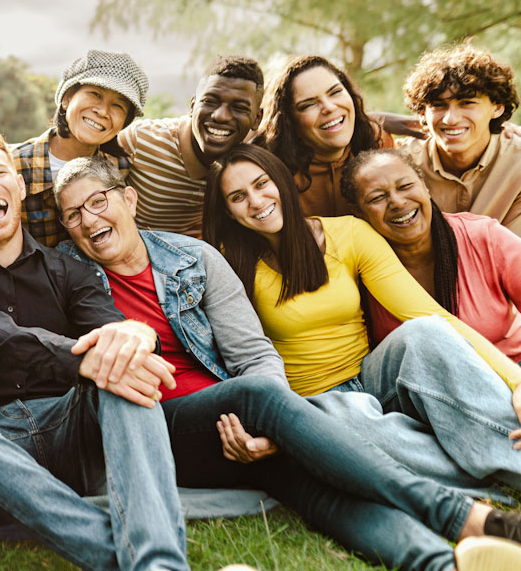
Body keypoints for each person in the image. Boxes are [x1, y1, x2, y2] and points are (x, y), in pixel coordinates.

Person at [54, 154, 521, 571]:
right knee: (263, 397)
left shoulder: (194, 258)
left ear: (130, 199)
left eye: (97, 201)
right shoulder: (66, 275)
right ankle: (464, 516)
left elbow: (253, 355)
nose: (87, 219)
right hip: (156, 428)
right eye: (73, 214)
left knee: (317, 489)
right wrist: (266, 413)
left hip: (236, 422)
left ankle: (442, 563)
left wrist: (263, 433)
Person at [0, 124, 189, 570]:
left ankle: (159, 564)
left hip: (70, 430)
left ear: (19, 187)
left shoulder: (70, 270)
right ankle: (116, 549)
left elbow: (111, 330)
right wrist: (84, 361)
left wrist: (135, 337)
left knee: (122, 370)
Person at [202, 144, 521, 492]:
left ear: (280, 180)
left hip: (372, 378)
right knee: (353, 425)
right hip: (312, 403)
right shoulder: (227, 265)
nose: (256, 200)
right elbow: (240, 357)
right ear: (229, 213)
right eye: (238, 197)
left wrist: (517, 382)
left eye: (262, 183)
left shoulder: (349, 234)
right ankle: (481, 475)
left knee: (424, 331)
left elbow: (430, 314)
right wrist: (278, 424)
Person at [343, 149, 521, 360]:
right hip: (421, 388)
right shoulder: (356, 270)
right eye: (377, 197)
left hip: (510, 371)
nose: (398, 202)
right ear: (359, 213)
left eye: (405, 186)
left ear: (425, 186)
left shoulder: (484, 237)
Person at [113, 55, 263, 237]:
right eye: (210, 101)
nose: (221, 116)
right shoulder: (140, 141)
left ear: (257, 119)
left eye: (239, 107)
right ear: (192, 106)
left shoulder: (255, 165)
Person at [12, 49, 147, 247]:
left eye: (118, 106)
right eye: (95, 94)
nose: (102, 111)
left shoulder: (121, 168)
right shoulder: (14, 165)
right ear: (66, 98)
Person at [395, 43, 521, 235]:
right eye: (438, 105)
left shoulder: (516, 163)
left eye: (467, 103)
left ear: (497, 107)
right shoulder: (401, 164)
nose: (450, 119)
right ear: (422, 113)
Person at [255, 55, 394, 217]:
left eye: (335, 92)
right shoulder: (268, 172)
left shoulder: (378, 141)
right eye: (308, 104)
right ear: (289, 120)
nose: (329, 107)